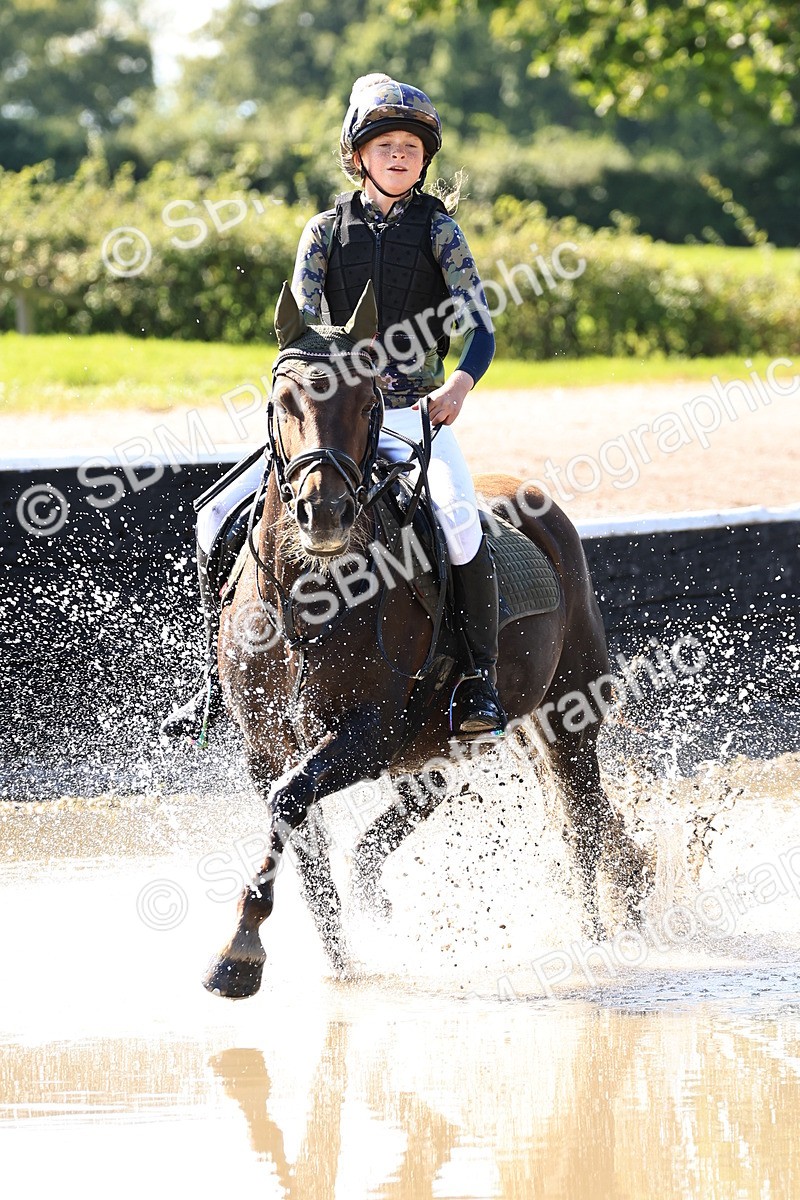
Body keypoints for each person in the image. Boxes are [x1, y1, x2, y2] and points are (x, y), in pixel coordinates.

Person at [161, 73, 505, 742]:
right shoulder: (322, 232)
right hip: (329, 418)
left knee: (461, 523)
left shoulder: (440, 231)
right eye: (386, 146)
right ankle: (213, 681)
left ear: (424, 159)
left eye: (411, 146)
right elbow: (303, 329)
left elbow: (480, 327)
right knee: (212, 519)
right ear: (358, 157)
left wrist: (460, 384)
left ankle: (478, 682)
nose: (400, 155)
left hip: (408, 414)